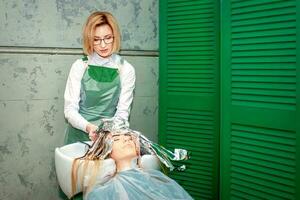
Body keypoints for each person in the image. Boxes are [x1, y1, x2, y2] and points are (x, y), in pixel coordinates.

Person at [64, 11, 135, 144]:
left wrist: (106, 132)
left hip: (109, 138)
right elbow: (69, 109)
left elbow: (122, 114)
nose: (103, 45)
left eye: (107, 38)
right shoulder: (79, 66)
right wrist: (89, 127)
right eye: (96, 39)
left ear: (115, 37)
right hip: (79, 136)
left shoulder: (126, 69)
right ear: (89, 40)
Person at [71, 130, 193, 200]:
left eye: (129, 137)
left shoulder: (156, 177)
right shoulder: (101, 193)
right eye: (117, 139)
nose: (127, 139)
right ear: (107, 153)